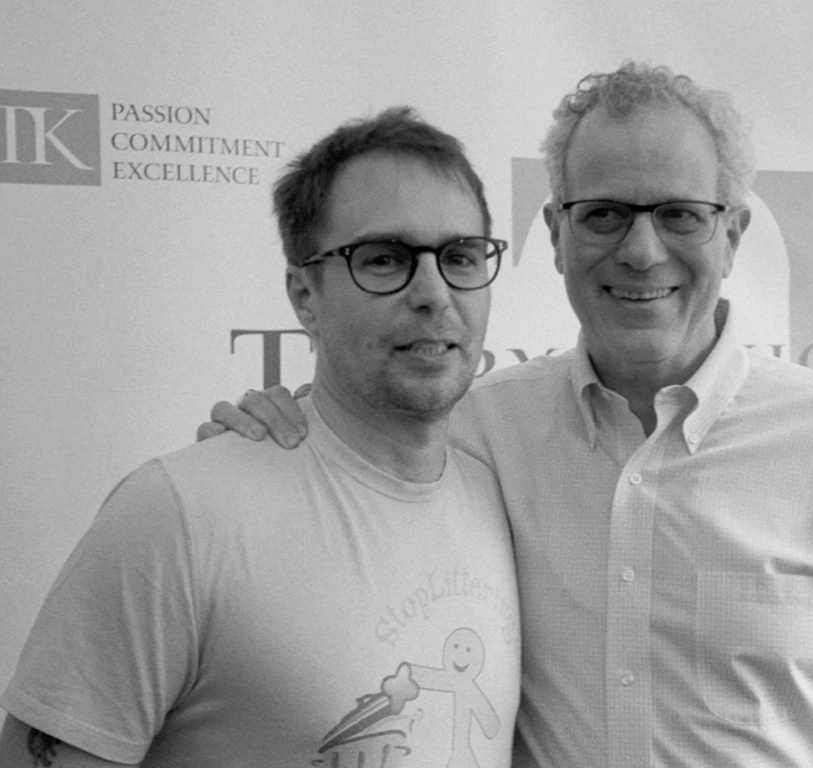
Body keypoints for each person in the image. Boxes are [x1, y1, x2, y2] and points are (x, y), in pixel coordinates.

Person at [205, 62, 813, 767]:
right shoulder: (471, 432)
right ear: (555, 235)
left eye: (680, 215)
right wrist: (262, 445)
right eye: (604, 214)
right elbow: (349, 450)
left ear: (733, 235)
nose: (641, 250)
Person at [0, 108, 521, 768]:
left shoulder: (503, 497)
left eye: (460, 256)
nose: (433, 292)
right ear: (305, 295)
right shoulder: (179, 516)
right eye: (384, 259)